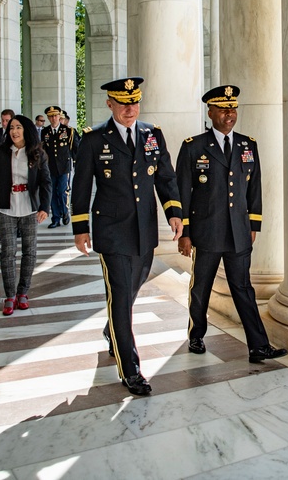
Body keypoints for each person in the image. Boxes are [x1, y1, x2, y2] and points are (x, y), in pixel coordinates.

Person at [71, 77, 183, 395]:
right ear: (110, 104)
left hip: (144, 230)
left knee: (133, 286)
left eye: (134, 102)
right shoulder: (94, 140)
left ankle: (112, 329)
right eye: (123, 103)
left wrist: (175, 212)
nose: (129, 109)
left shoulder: (152, 135)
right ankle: (130, 370)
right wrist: (80, 228)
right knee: (120, 297)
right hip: (111, 231)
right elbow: (80, 188)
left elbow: (166, 177)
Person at [177, 85, 287, 364]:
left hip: (238, 233)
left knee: (243, 288)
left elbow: (255, 190)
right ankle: (196, 335)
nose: (230, 114)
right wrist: (185, 233)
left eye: (233, 109)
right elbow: (183, 193)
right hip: (206, 232)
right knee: (201, 287)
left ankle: (258, 346)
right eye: (224, 109)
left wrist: (253, 225)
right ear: (210, 111)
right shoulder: (194, 147)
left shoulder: (247, 145)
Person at [0, 115, 52, 315]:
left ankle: (23, 292)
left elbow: (46, 182)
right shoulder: (0, 153)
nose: (14, 131)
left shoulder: (37, 153)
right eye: (11, 127)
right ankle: (10, 295)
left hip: (29, 208)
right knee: (8, 252)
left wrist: (44, 208)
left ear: (26, 130)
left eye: (18, 127)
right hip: (5, 208)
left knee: (29, 251)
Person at [41, 105, 76, 227]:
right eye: (50, 116)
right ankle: (55, 218)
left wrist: (78, 163)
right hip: (50, 167)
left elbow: (75, 149)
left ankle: (65, 212)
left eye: (55, 116)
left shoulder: (68, 131)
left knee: (62, 192)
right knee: (51, 193)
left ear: (59, 116)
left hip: (64, 167)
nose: (53, 118)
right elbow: (42, 150)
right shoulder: (45, 132)